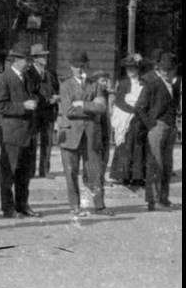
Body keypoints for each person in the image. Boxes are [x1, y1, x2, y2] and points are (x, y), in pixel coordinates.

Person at [57, 51, 112, 217]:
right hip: (71, 134)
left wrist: (81, 103)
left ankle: (99, 206)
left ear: (86, 66)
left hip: (91, 134)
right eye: (76, 66)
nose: (79, 69)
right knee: (71, 172)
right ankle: (75, 206)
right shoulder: (65, 85)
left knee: (95, 170)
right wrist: (91, 107)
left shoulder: (94, 85)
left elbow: (102, 108)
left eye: (82, 66)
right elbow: (69, 111)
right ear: (71, 67)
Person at [0, 41, 41, 219]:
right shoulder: (5, 78)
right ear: (17, 60)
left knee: (25, 173)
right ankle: (8, 208)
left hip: (28, 132)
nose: (30, 64)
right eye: (27, 60)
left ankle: (22, 205)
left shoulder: (28, 76)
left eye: (30, 60)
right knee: (9, 174)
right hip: (12, 134)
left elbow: (35, 95)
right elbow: (1, 106)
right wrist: (23, 106)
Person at [134, 52, 180, 212]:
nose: (166, 72)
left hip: (170, 128)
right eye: (163, 69)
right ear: (159, 69)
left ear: (175, 70)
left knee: (167, 165)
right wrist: (151, 125)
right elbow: (139, 107)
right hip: (157, 128)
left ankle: (164, 198)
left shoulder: (174, 87)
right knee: (156, 165)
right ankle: (153, 201)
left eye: (170, 69)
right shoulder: (152, 84)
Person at [108, 54, 147, 188]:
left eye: (133, 68)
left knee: (138, 146)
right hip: (126, 116)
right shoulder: (124, 83)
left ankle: (137, 176)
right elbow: (119, 101)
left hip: (139, 118)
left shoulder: (144, 83)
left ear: (138, 69)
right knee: (125, 145)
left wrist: (140, 111)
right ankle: (123, 176)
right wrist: (132, 110)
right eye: (128, 68)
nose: (130, 70)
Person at [23, 43, 59, 179]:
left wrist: (57, 97)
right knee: (32, 142)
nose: (46, 58)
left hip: (49, 112)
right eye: (43, 56)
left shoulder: (51, 72)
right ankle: (30, 171)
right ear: (35, 58)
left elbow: (57, 89)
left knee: (48, 142)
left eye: (46, 56)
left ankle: (45, 170)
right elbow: (27, 92)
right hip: (35, 112)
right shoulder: (28, 73)